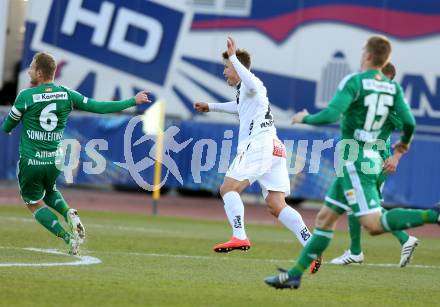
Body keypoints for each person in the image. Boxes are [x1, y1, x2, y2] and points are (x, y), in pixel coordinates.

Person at [264, 35, 440, 289]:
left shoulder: (355, 82)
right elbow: (410, 123)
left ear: (368, 55)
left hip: (355, 159)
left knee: (373, 224)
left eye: (362, 51)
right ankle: (295, 275)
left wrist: (306, 118)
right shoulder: (393, 88)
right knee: (325, 218)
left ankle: (432, 213)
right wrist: (401, 148)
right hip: (366, 158)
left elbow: (332, 114)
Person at [1, 52, 151, 255]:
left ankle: (67, 237)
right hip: (54, 160)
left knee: (33, 202)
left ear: (39, 71)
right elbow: (99, 107)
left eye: (31, 66)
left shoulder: (25, 97)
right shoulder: (66, 94)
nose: (28, 70)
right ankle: (68, 212)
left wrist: (12, 123)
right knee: (50, 190)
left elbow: (7, 127)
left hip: (32, 161)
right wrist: (132, 101)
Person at [194, 36, 321, 273]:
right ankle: (311, 246)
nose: (224, 72)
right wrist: (210, 106)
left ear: (238, 67)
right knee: (275, 204)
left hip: (260, 144)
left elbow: (250, 82)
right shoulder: (245, 92)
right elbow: (238, 106)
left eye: (226, 67)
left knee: (228, 189)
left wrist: (233, 57)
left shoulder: (253, 84)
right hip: (274, 146)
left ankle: (239, 235)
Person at [330, 62, 418, 267]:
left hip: (373, 159)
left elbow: (408, 127)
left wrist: (396, 157)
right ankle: (356, 251)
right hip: (363, 156)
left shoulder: (391, 103)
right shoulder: (373, 98)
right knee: (360, 204)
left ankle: (403, 239)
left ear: (386, 78)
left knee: (367, 207)